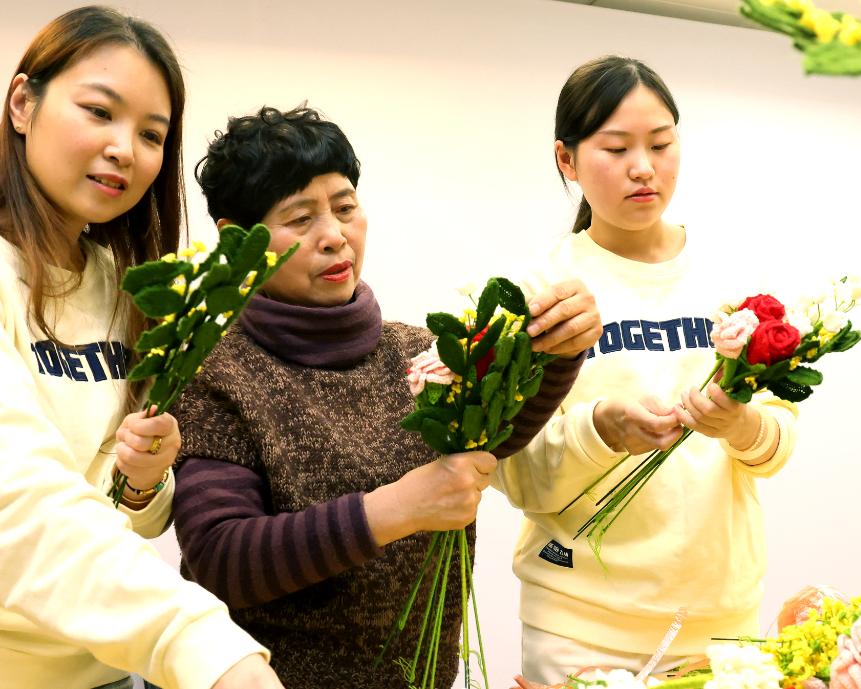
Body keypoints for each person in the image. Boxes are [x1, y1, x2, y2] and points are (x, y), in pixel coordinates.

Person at [167, 105, 602, 689]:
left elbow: (491, 439)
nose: (334, 236)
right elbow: (221, 557)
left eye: (345, 208)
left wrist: (560, 349)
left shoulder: (418, 349)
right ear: (236, 240)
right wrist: (396, 509)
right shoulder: (214, 371)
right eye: (300, 218)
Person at [0, 7, 284, 689]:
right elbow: (22, 504)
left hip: (105, 669)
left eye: (152, 134)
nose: (125, 149)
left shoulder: (125, 287)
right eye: (100, 112)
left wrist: (144, 477)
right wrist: (205, 645)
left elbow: (133, 517)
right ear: (22, 104)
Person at [493, 56, 800, 685]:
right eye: (617, 148)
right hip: (578, 629)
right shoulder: (540, 292)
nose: (643, 167)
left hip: (723, 622)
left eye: (661, 145)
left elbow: (778, 443)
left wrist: (740, 426)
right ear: (566, 160)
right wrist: (600, 430)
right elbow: (510, 468)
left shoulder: (734, 279)